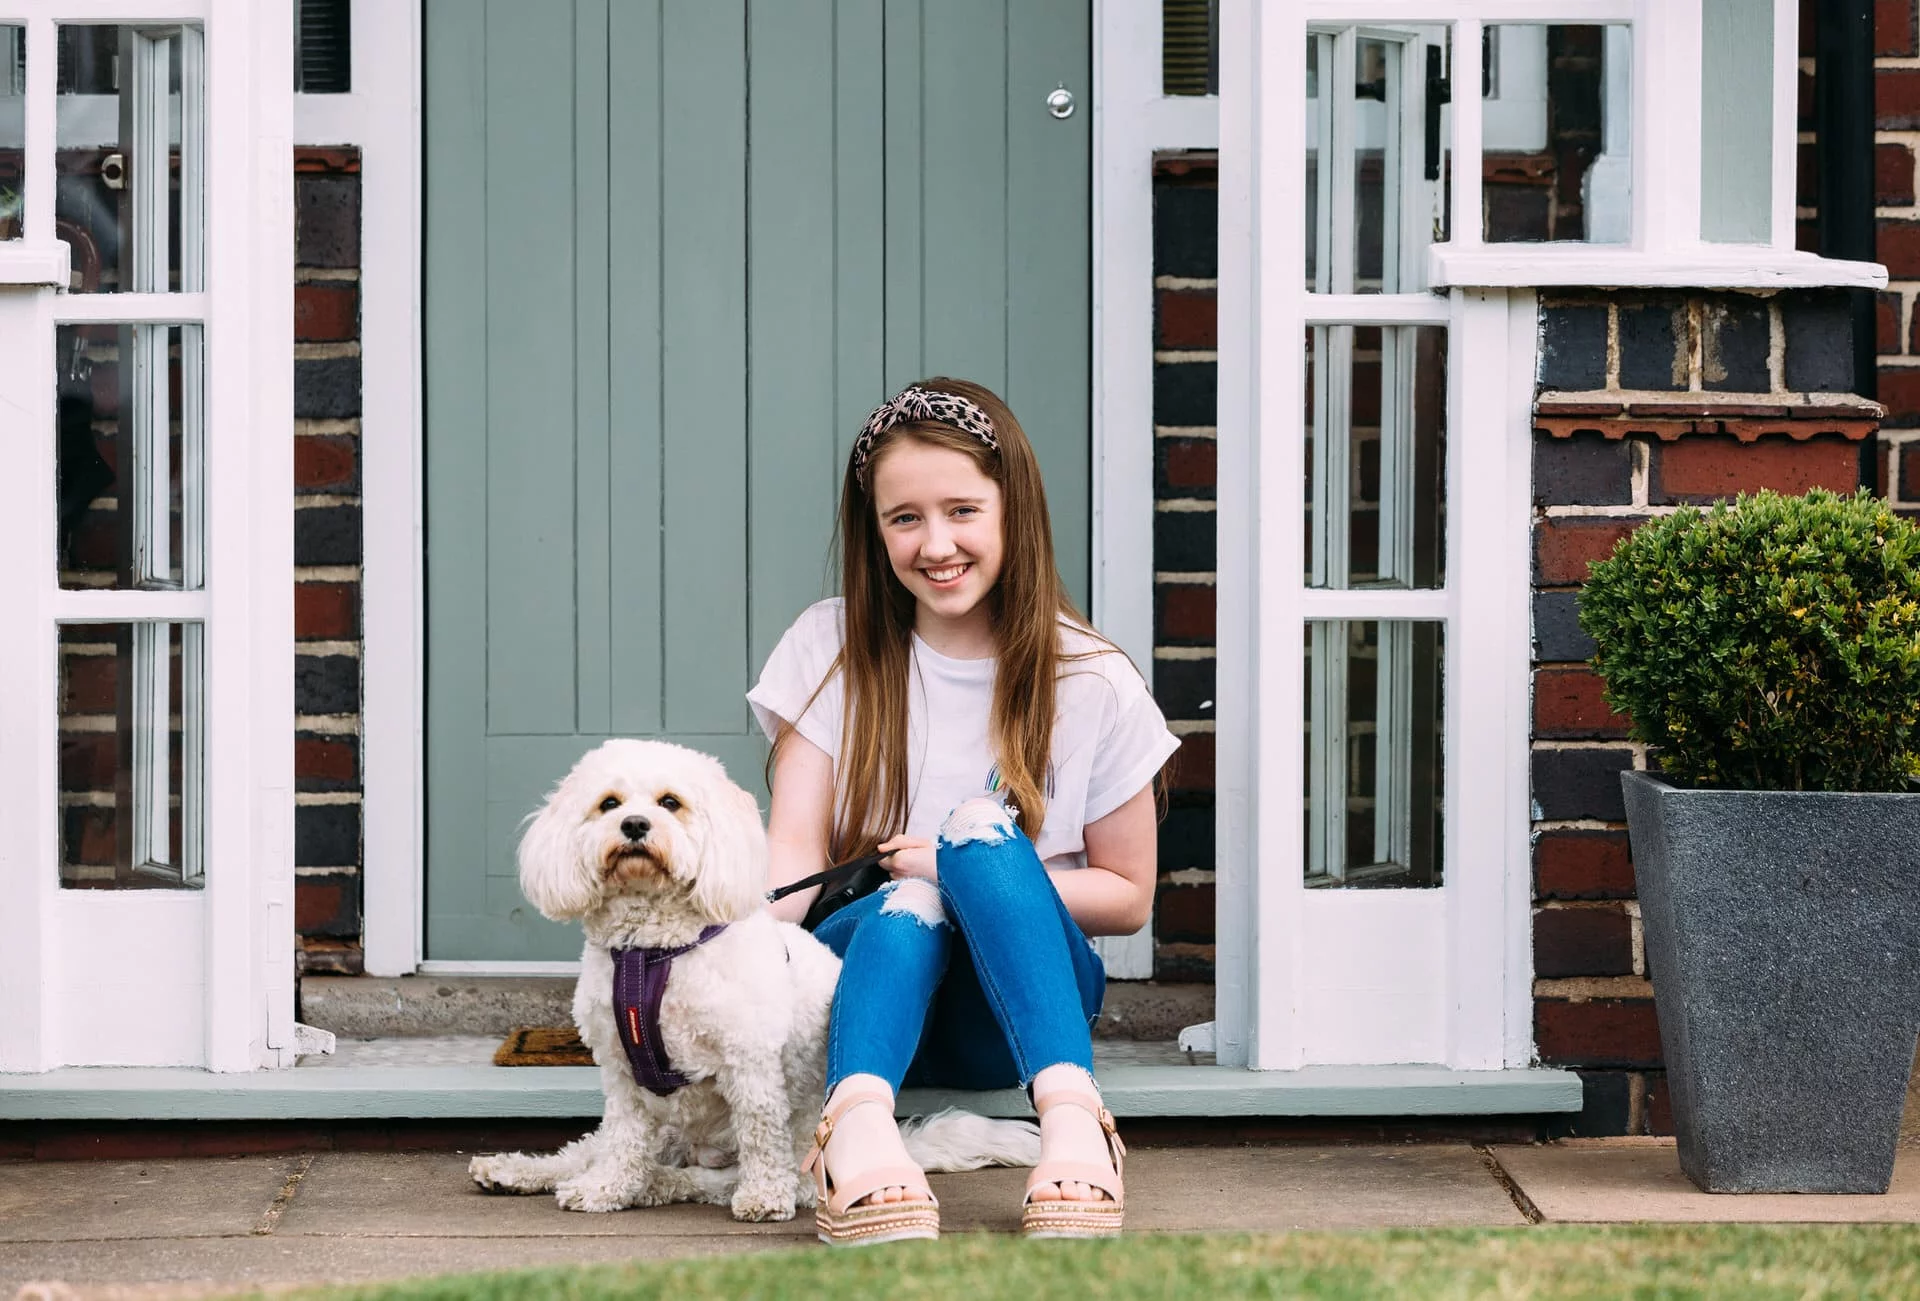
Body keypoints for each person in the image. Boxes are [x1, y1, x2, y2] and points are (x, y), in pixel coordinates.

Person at [747, 378, 1178, 1244]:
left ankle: (1072, 1116)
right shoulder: (828, 649)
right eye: (904, 517)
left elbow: (1129, 896)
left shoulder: (1092, 678)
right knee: (912, 896)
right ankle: (856, 1127)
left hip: (1010, 1010)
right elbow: (789, 870)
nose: (935, 543)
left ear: (1014, 508)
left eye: (961, 510)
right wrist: (715, 977)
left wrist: (955, 869)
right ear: (874, 530)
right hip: (865, 982)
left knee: (974, 832)